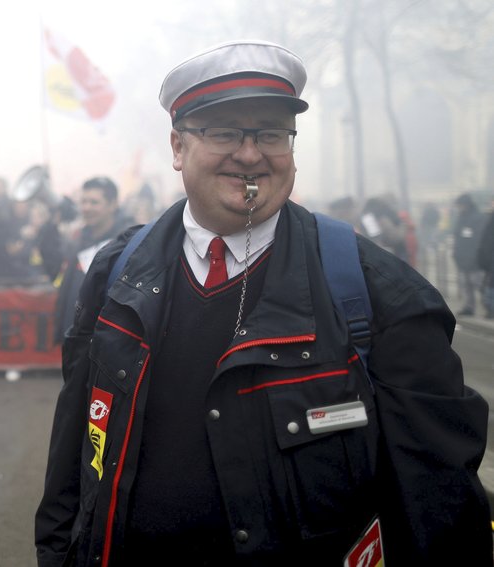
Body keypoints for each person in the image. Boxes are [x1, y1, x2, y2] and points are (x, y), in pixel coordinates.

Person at [35, 40, 491, 567]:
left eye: (271, 133)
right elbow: (76, 440)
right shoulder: (116, 273)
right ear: (178, 148)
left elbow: (440, 505)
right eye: (224, 132)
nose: (250, 153)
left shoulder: (378, 291)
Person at [52, 176, 131, 344]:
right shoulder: (78, 240)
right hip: (76, 337)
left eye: (94, 202)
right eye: (84, 201)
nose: (87, 208)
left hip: (109, 340)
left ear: (113, 204)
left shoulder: (128, 243)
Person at [452, 193, 487, 316]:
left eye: (459, 206)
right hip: (463, 258)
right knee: (466, 285)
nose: (458, 208)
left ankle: (489, 306)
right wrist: (456, 254)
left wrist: (476, 256)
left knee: (480, 285)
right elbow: (457, 236)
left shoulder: (478, 218)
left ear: (466, 205)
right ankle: (469, 307)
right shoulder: (461, 218)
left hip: (475, 259)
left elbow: (478, 239)